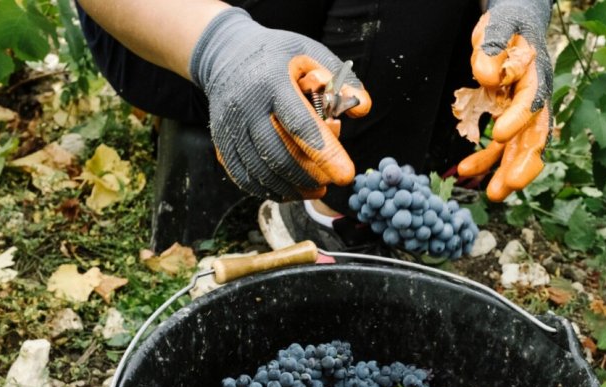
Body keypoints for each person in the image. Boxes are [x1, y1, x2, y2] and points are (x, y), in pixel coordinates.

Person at [75, 0, 553, 253]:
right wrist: (220, 47)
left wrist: (521, 8)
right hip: (170, 23)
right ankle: (334, 214)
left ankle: (346, 206)